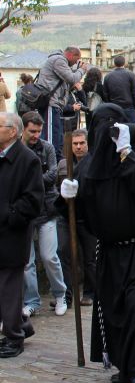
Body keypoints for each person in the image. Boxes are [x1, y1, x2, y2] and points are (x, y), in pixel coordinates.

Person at [60, 104, 135, 383]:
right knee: (115, 308)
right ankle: (125, 364)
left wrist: (126, 154)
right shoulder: (89, 164)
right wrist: (67, 197)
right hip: (111, 250)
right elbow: (76, 214)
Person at [0, 112, 44, 358]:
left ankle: (14, 337)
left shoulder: (28, 160)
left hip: (12, 234)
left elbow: (33, 200)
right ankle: (22, 325)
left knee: (9, 287)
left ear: (12, 131)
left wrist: (9, 215)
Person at [21, 111, 68, 318]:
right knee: (27, 261)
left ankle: (60, 294)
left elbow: (53, 174)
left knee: (49, 256)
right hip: (25, 211)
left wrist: (29, 180)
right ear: (23, 129)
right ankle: (32, 301)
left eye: (39, 131)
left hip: (47, 209)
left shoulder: (47, 147)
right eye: (32, 131)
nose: (36, 135)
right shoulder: (18, 150)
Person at [56, 129, 96, 307]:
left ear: (87, 143)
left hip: (86, 217)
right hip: (66, 215)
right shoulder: (65, 164)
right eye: (75, 144)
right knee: (64, 252)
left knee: (89, 258)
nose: (78, 147)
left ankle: (89, 292)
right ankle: (67, 294)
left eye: (82, 143)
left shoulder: (94, 163)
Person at [37, 47, 87, 160]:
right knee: (51, 137)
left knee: (57, 137)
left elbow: (68, 84)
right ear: (71, 55)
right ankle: (49, 164)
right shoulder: (58, 60)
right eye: (77, 59)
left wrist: (76, 70)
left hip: (55, 106)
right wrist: (82, 70)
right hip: (50, 104)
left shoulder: (60, 62)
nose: (76, 62)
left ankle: (56, 162)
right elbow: (72, 79)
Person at [102, 55, 135, 123]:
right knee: (133, 130)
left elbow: (105, 94)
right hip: (129, 107)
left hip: (114, 108)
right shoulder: (131, 74)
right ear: (124, 63)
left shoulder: (107, 77)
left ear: (114, 64)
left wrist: (110, 106)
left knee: (116, 131)